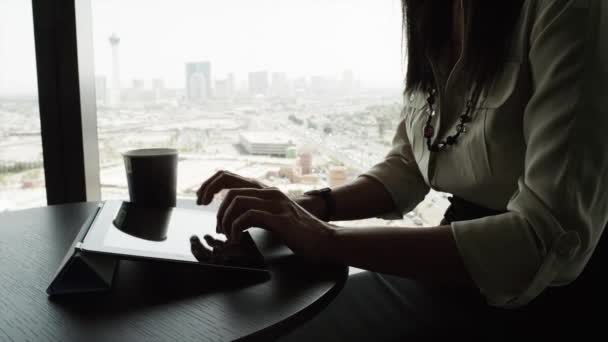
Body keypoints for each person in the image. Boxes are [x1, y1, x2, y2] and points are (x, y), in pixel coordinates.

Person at [191, 0, 608, 339]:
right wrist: (296, 209)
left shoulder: (569, 11)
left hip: (542, 297)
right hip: (449, 267)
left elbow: (543, 242)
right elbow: (407, 168)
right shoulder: (435, 15)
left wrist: (324, 238)